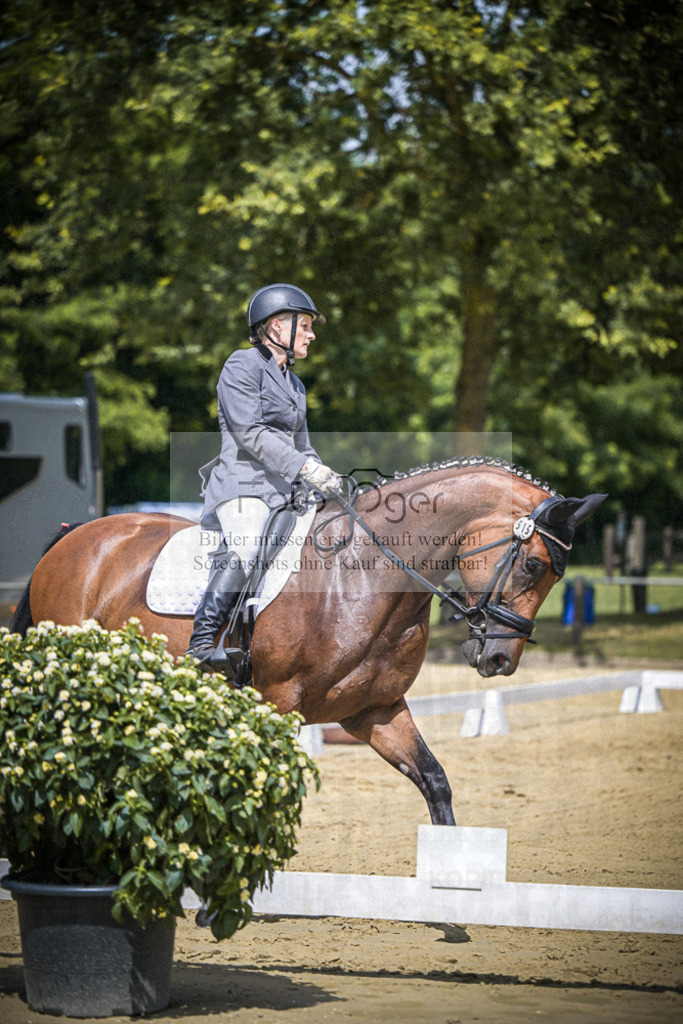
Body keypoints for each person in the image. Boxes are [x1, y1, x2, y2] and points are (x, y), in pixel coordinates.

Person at [186, 283, 342, 672]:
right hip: (244, 485)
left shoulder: (295, 384)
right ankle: (201, 643)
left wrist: (325, 476)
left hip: (286, 492)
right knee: (247, 543)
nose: (311, 334)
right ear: (275, 327)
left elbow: (303, 447)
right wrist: (305, 468)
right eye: (304, 326)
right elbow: (250, 433)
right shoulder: (241, 365)